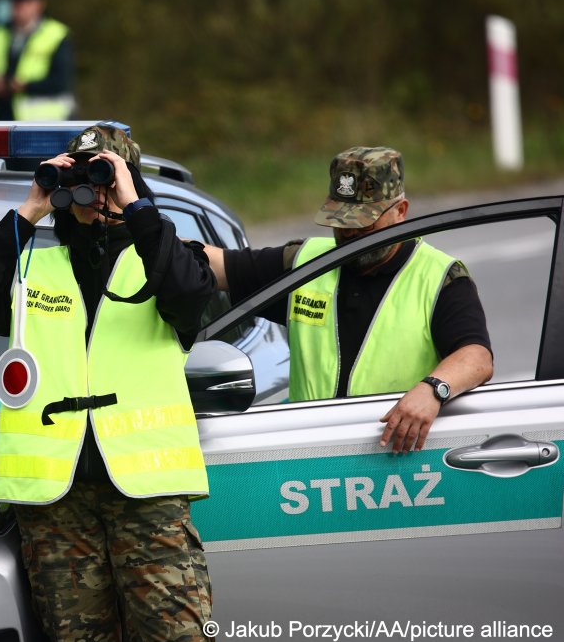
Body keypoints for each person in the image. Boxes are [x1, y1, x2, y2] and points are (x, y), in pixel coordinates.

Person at [0, 124, 216, 642]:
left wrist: (132, 203)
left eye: (104, 177)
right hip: (55, 501)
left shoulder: (164, 261)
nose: (93, 194)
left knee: (179, 639)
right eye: (86, 179)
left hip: (147, 496)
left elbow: (188, 295)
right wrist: (30, 210)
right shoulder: (35, 269)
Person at [205, 146, 494, 453]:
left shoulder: (438, 277)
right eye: (340, 222)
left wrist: (434, 390)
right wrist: (150, 230)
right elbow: (214, 265)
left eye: (363, 222)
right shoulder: (304, 261)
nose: (350, 233)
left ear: (401, 211)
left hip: (395, 462)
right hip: (310, 458)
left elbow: (477, 357)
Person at [0, 0, 75, 120]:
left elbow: (61, 82)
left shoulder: (57, 34)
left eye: (26, 1)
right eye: (15, 0)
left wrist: (24, 86)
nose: (20, 6)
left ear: (39, 4)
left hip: (41, 125)